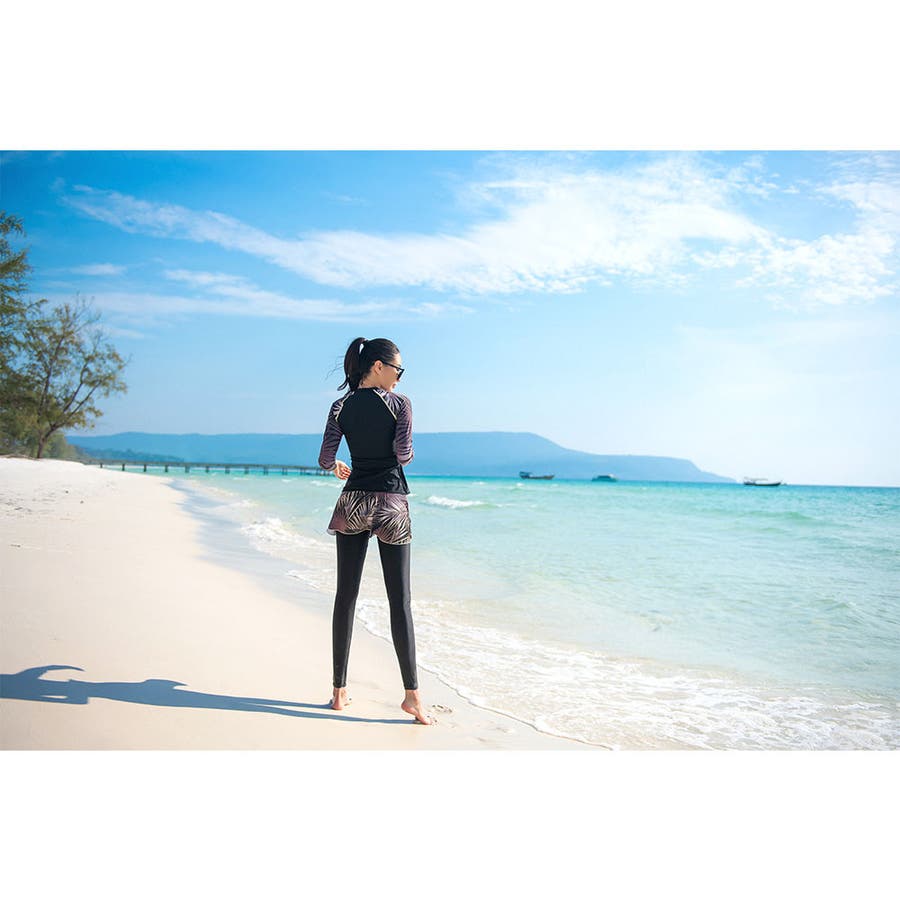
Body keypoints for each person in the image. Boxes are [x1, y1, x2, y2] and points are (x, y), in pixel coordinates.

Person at [318, 337, 435, 726]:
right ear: (379, 366)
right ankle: (412, 698)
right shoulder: (400, 404)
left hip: (352, 502)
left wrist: (338, 465)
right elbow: (403, 455)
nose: (400, 377)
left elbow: (325, 457)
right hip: (391, 504)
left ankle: (339, 692)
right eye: (398, 369)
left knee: (345, 596)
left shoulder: (341, 406)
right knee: (399, 601)